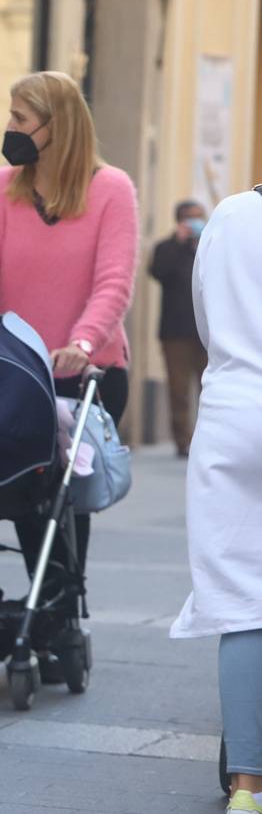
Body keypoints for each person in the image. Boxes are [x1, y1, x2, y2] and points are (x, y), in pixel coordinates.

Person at [0, 71, 138, 678]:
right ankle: (52, 611)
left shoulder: (111, 191)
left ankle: (60, 615)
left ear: (58, 127)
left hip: (88, 373)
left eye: (21, 117)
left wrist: (82, 341)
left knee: (66, 499)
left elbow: (114, 281)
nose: (9, 128)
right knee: (29, 496)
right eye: (9, 114)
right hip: (16, 371)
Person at [169, 186, 262, 814]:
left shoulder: (228, 215)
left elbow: (206, 319)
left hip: (234, 412)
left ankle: (248, 790)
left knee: (243, 598)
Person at [149, 199, 209, 458]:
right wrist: (178, 242)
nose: (195, 221)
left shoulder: (209, 244)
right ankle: (182, 441)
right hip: (175, 332)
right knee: (179, 389)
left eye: (199, 216)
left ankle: (207, 438)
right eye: (189, 217)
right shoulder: (166, 248)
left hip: (207, 330)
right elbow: (158, 272)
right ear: (179, 221)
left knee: (208, 388)